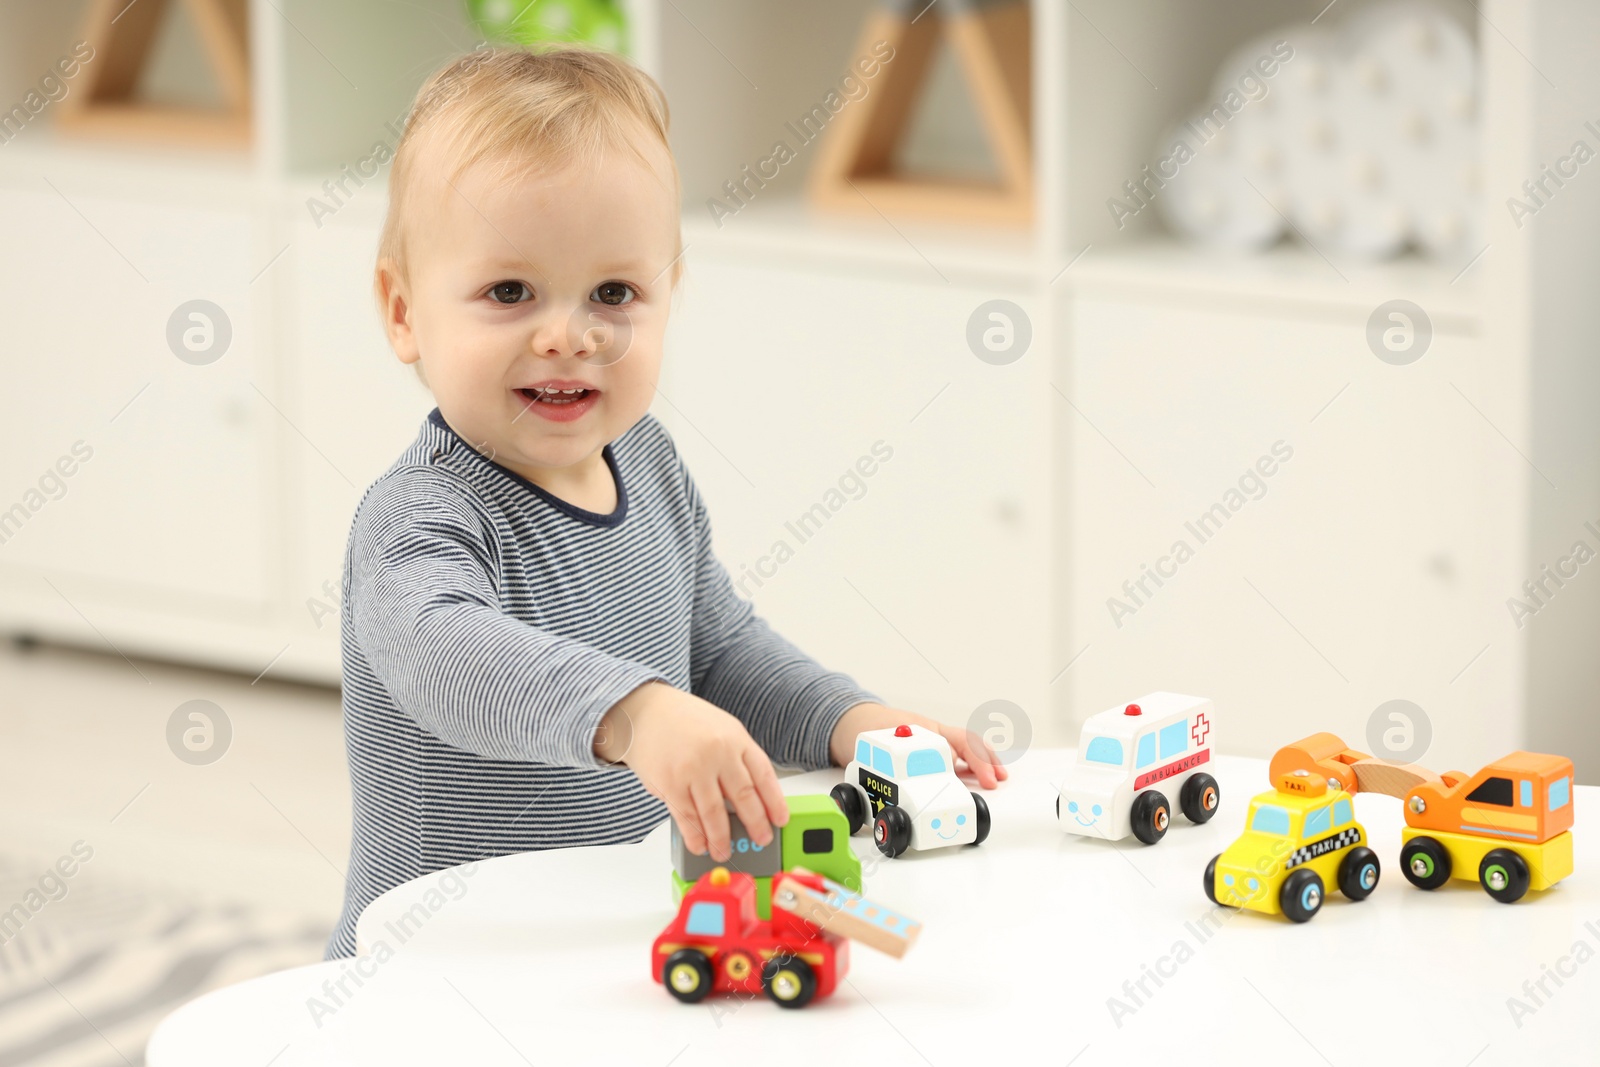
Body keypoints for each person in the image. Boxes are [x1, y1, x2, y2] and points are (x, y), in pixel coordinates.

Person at [326, 45, 1003, 959]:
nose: (569, 334)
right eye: (509, 291)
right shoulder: (418, 516)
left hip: (610, 939)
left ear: (667, 297)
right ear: (403, 310)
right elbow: (443, 655)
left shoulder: (644, 460)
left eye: (615, 292)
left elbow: (716, 647)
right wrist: (636, 714)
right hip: (447, 969)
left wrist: (848, 721)